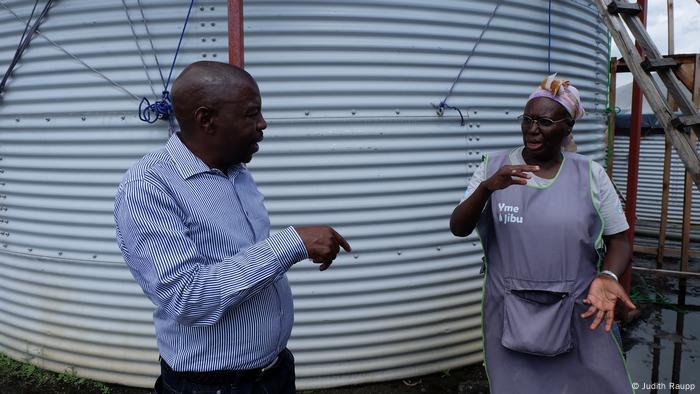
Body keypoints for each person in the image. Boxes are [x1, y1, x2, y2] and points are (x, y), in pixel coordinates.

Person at [114, 61, 351, 394]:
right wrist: (292, 244)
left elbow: (243, 260)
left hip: (273, 372)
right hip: (213, 387)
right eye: (251, 114)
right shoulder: (149, 186)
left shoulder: (236, 172)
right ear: (206, 120)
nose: (263, 124)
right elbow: (187, 296)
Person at [450, 74, 636, 393]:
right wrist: (486, 188)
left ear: (567, 128)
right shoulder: (493, 168)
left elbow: (619, 240)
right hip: (509, 312)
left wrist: (608, 276)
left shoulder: (591, 175)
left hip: (581, 309)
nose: (533, 129)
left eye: (545, 121)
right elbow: (459, 227)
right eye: (528, 119)